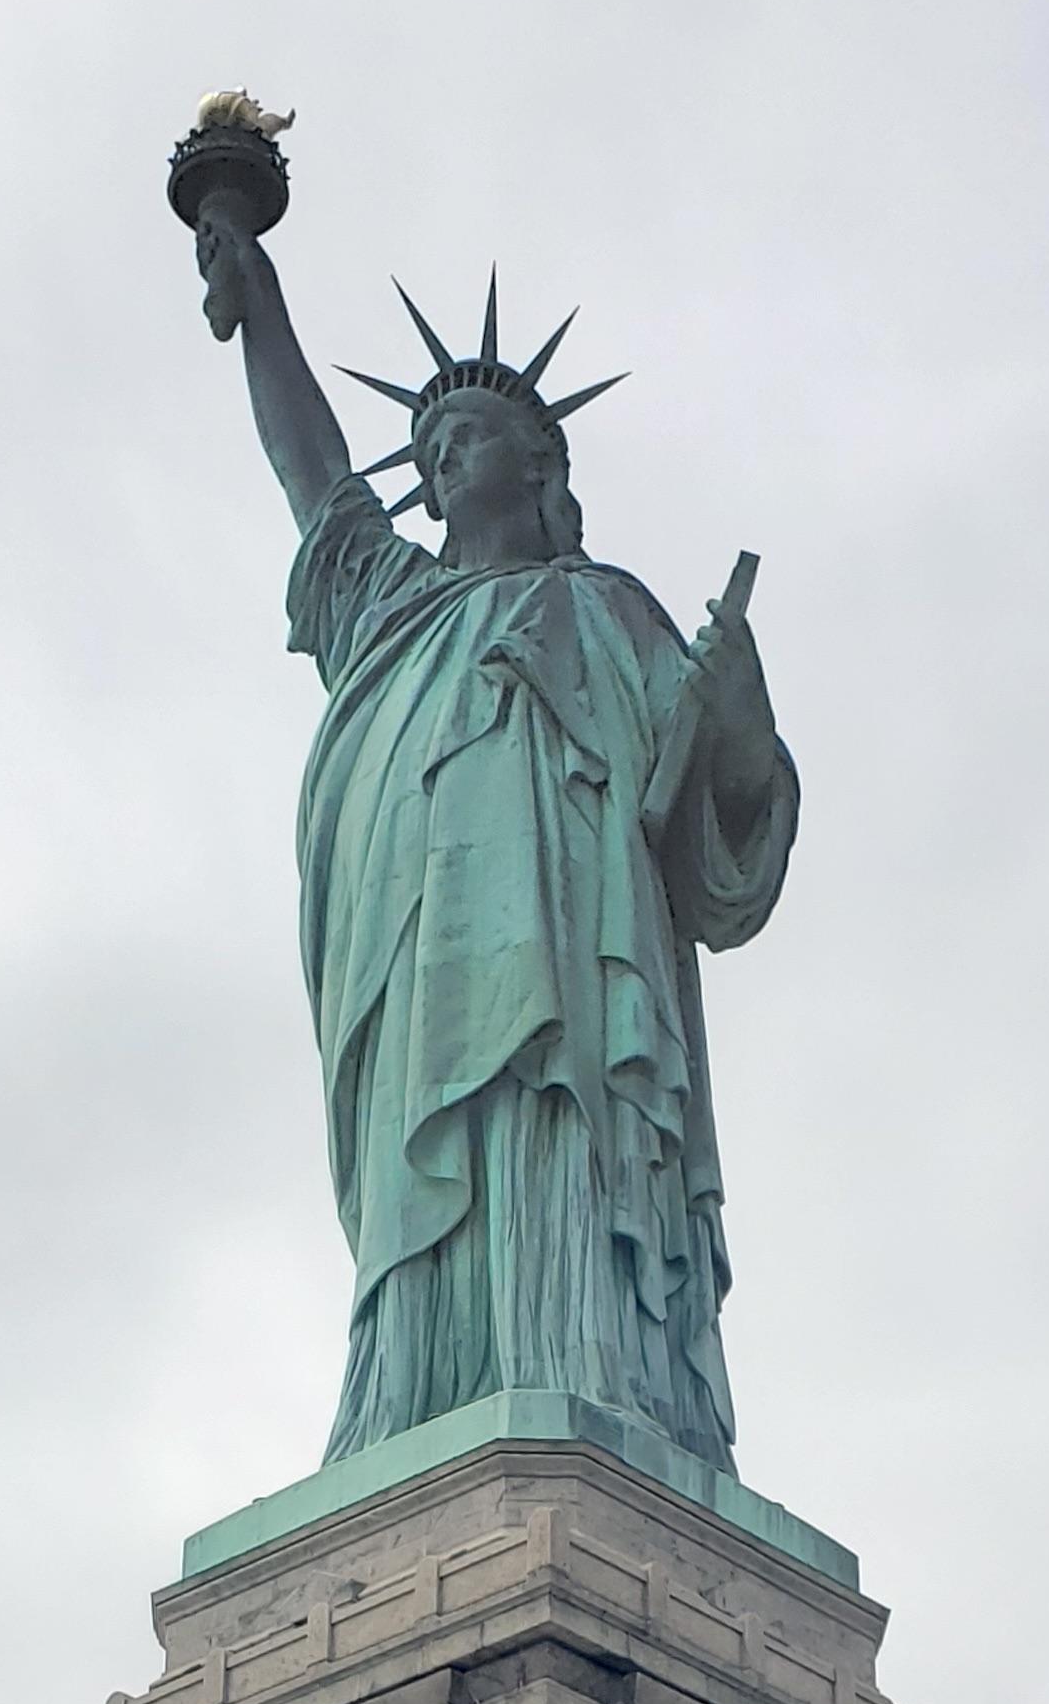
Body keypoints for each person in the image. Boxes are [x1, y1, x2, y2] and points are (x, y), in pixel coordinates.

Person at [190, 212, 799, 1470]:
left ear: (538, 463)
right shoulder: (388, 612)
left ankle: (584, 1373)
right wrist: (259, 304)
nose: (438, 452)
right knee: (436, 1176)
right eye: (425, 441)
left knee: (556, 1143)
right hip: (418, 976)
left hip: (577, 972)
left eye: (467, 434)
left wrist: (739, 724)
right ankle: (418, 1398)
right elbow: (316, 484)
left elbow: (711, 854)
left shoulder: (609, 612)